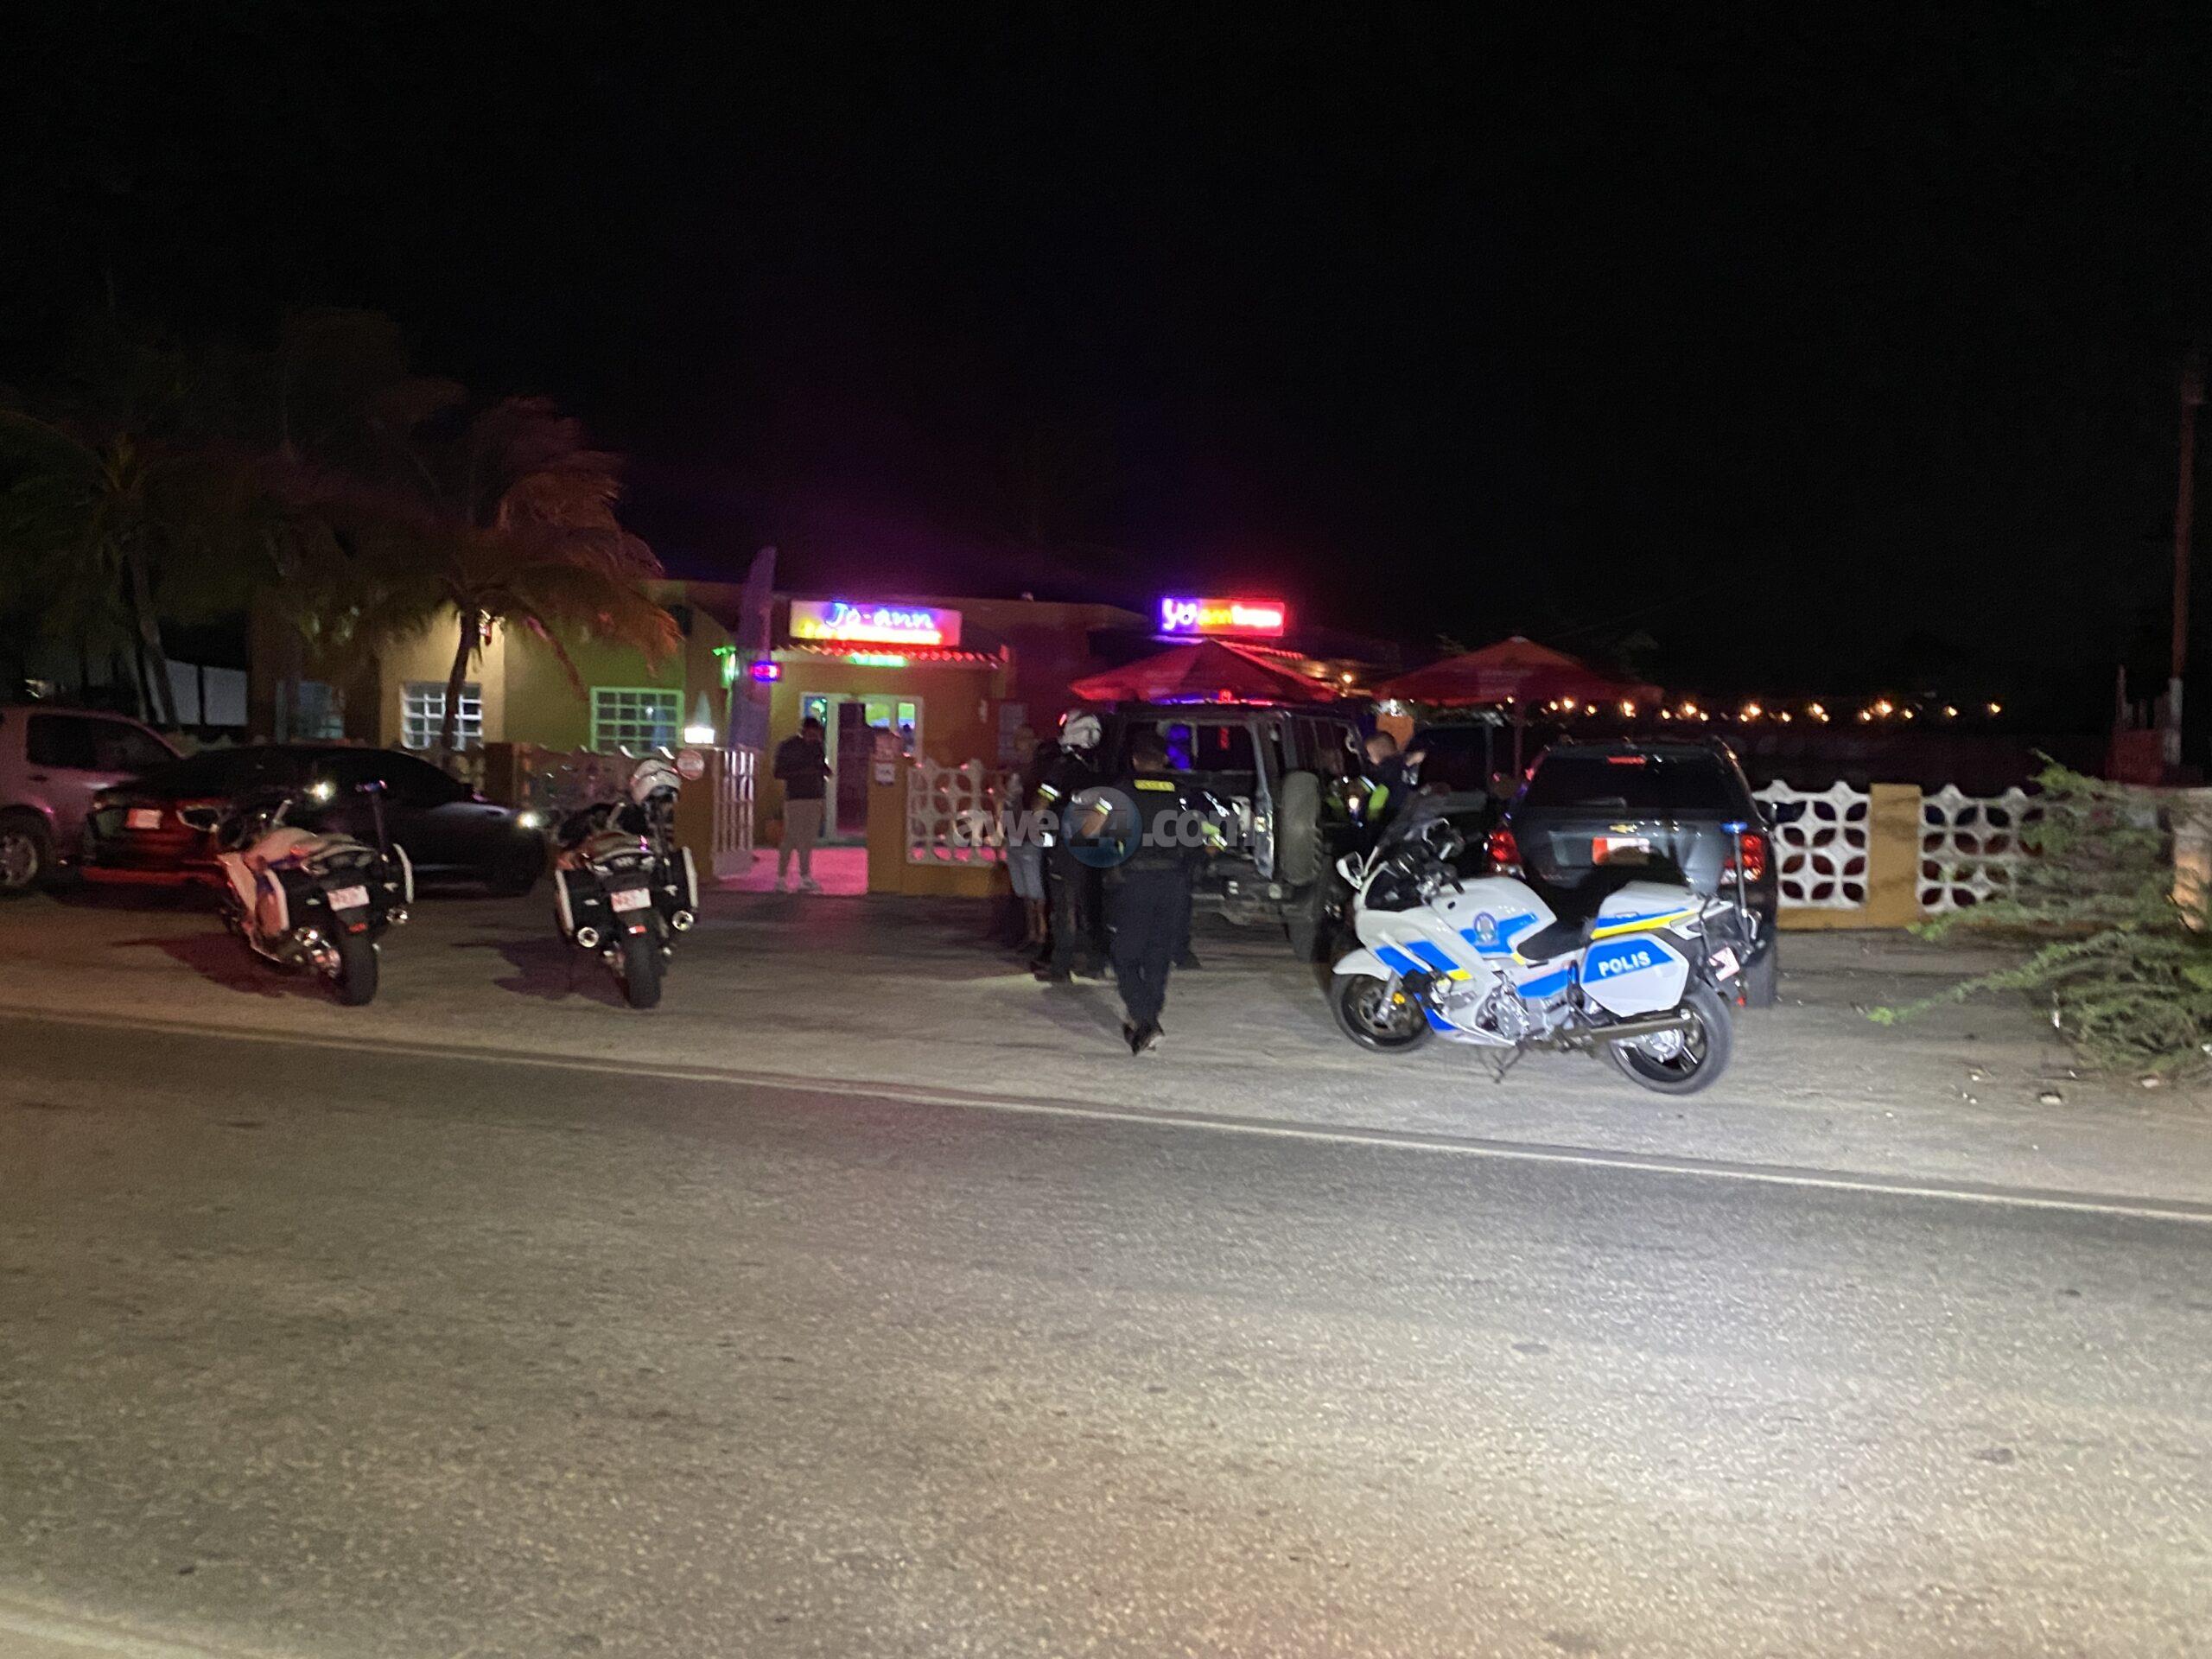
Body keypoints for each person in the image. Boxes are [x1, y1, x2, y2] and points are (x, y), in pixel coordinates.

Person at [1098, 730, 1222, 1054]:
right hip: (1174, 883)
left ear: (1135, 760)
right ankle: (1148, 1018)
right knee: (1158, 954)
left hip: (1135, 882)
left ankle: (1145, 1018)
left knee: (1125, 955)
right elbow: (1214, 834)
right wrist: (1200, 858)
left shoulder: (1120, 792)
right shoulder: (1184, 792)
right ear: (1165, 759)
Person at [1029, 711, 1103, 981]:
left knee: (1064, 907)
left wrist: (1037, 828)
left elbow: (1041, 803)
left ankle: (1060, 968)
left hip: (1064, 847)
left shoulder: (1062, 767)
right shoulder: (1097, 769)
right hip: (1093, 847)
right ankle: (1094, 964)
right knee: (1090, 906)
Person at [1001, 725, 1048, 955]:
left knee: (1036, 892)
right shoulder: (1015, 769)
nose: (1020, 743)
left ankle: (1041, 935)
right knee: (1024, 893)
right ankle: (1031, 934)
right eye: (1018, 738)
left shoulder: (1040, 770)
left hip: (1031, 835)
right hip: (1015, 833)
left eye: (1026, 738)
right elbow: (1007, 802)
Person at [772, 717, 830, 891]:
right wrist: (803, 772)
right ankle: (782, 877)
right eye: (813, 733)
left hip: (814, 796)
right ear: (804, 730)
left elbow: (820, 766)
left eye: (817, 734)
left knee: (808, 838)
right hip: (796, 797)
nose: (815, 737)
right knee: (791, 837)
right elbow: (778, 772)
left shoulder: (817, 747)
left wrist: (823, 771)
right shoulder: (789, 746)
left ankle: (804, 876)